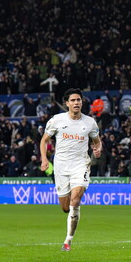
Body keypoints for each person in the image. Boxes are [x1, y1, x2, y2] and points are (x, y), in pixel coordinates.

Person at [40, 89, 103, 251]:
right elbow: (44, 140)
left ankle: (68, 240)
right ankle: (72, 215)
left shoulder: (90, 122)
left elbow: (97, 141)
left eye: (79, 100)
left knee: (76, 199)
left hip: (80, 165)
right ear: (67, 103)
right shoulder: (57, 120)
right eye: (73, 100)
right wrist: (44, 159)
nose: (76, 103)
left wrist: (98, 149)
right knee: (65, 208)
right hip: (61, 166)